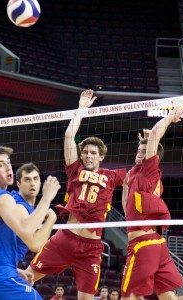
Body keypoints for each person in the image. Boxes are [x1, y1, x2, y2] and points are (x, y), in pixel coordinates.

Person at [26, 89, 127, 300]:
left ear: (101, 156)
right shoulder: (75, 171)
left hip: (91, 248)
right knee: (27, 276)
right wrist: (81, 109)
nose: (88, 156)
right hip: (65, 239)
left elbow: (137, 173)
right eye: (85, 152)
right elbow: (69, 136)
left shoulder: (112, 175)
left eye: (93, 153)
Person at [121, 107, 183, 300]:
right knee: (170, 298)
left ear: (154, 158)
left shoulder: (149, 172)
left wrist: (169, 117)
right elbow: (127, 208)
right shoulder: (135, 175)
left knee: (129, 296)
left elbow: (153, 142)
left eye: (145, 152)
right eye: (138, 150)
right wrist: (145, 142)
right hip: (157, 245)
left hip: (144, 245)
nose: (140, 154)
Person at [0, 145, 61, 300]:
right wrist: (47, 200)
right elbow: (30, 237)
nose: (8, 168)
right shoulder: (3, 198)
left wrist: (15, 270)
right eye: (1, 165)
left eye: (8, 162)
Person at [11, 162, 51, 264]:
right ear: (18, 184)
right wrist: (52, 217)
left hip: (5, 265)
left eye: (35, 179)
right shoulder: (18, 206)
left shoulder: (28, 207)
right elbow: (36, 245)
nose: (32, 183)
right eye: (27, 179)